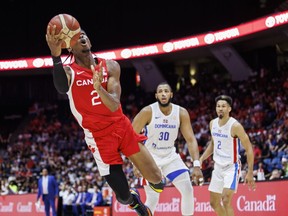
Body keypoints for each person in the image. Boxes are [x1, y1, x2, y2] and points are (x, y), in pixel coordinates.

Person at [46, 22, 164, 216]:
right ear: (70, 47)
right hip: (98, 137)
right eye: (76, 37)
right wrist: (55, 56)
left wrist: (98, 88)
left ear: (89, 40)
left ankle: (144, 177)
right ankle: (135, 202)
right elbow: (60, 87)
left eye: (84, 35)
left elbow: (114, 104)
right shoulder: (69, 72)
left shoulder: (110, 66)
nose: (82, 38)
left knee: (158, 181)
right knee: (124, 197)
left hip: (121, 127)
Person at [132, 82, 204, 216]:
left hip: (170, 156)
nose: (163, 93)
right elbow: (130, 137)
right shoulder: (148, 111)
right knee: (153, 198)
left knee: (188, 190)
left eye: (166, 91)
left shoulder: (181, 112)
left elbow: (191, 139)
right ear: (156, 95)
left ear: (171, 94)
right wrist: (136, 162)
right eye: (160, 91)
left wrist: (196, 165)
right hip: (150, 158)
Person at [199, 95, 256, 216]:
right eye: (218, 106)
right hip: (218, 167)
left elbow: (249, 148)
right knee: (213, 203)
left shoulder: (235, 126)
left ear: (229, 109)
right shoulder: (212, 123)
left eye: (223, 106)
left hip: (232, 167)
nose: (220, 108)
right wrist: (201, 158)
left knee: (225, 200)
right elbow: (213, 144)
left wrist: (250, 171)